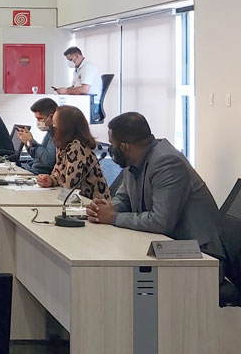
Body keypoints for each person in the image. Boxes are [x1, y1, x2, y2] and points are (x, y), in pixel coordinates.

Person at [85, 112, 238, 303]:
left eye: (112, 145)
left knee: (128, 289)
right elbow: (123, 200)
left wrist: (113, 217)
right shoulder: (134, 161)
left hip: (199, 254)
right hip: (168, 246)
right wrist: (105, 209)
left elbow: (160, 221)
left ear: (124, 147)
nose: (110, 150)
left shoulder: (167, 162)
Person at [36, 105, 109, 199]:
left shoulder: (76, 147)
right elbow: (58, 174)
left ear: (64, 126)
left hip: (92, 202)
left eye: (54, 123)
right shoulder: (62, 145)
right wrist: (50, 180)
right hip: (77, 201)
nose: (51, 125)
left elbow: (70, 186)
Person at [17, 98, 57, 175]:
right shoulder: (49, 131)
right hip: (33, 169)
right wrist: (27, 142)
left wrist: (32, 141)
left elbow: (48, 160)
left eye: (40, 118)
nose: (38, 122)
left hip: (40, 174)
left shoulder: (56, 133)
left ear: (51, 117)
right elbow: (37, 156)